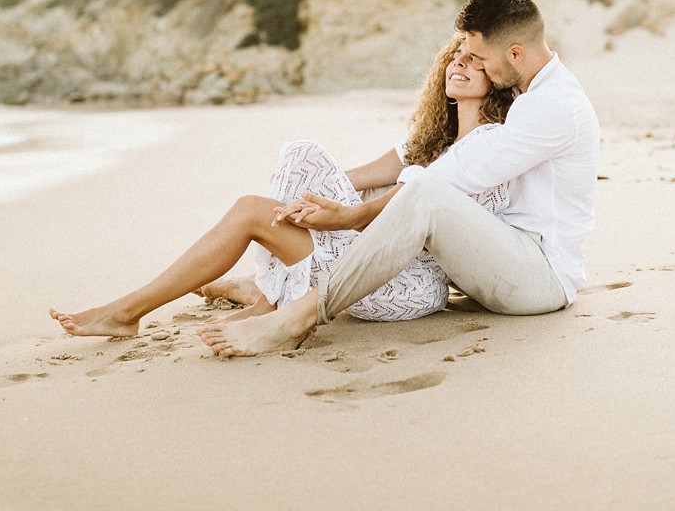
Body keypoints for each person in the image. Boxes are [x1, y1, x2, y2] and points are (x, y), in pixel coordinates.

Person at [199, 0, 599, 358]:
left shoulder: (554, 107)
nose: (474, 65)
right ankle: (276, 287)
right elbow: (415, 157)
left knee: (424, 192)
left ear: (515, 54)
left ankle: (300, 313)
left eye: (480, 59)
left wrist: (351, 216)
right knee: (392, 185)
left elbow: (452, 174)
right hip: (499, 255)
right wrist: (336, 186)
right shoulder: (527, 88)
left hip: (539, 275)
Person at [48, 37, 515, 338]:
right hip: (372, 266)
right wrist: (306, 200)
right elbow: (351, 179)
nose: (460, 63)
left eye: (474, 62)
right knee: (299, 159)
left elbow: (430, 212)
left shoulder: (491, 145)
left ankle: (136, 311)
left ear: (494, 81)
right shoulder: (426, 144)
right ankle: (264, 294)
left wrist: (329, 211)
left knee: (255, 208)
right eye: (456, 57)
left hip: (410, 285)